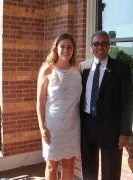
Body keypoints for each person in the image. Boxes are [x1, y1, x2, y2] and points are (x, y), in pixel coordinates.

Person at [80, 31, 133, 180]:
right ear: (91, 46)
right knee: (88, 166)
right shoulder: (83, 68)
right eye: (97, 44)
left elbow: (128, 102)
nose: (100, 47)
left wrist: (125, 132)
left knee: (111, 170)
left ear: (109, 46)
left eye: (104, 43)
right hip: (87, 124)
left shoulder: (121, 69)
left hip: (111, 128)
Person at [36, 33, 82, 180]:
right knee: (51, 165)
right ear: (56, 48)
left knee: (69, 165)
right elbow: (40, 101)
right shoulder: (47, 70)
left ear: (73, 49)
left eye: (69, 47)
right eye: (62, 46)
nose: (66, 50)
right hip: (52, 127)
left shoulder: (77, 70)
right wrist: (42, 126)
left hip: (72, 126)